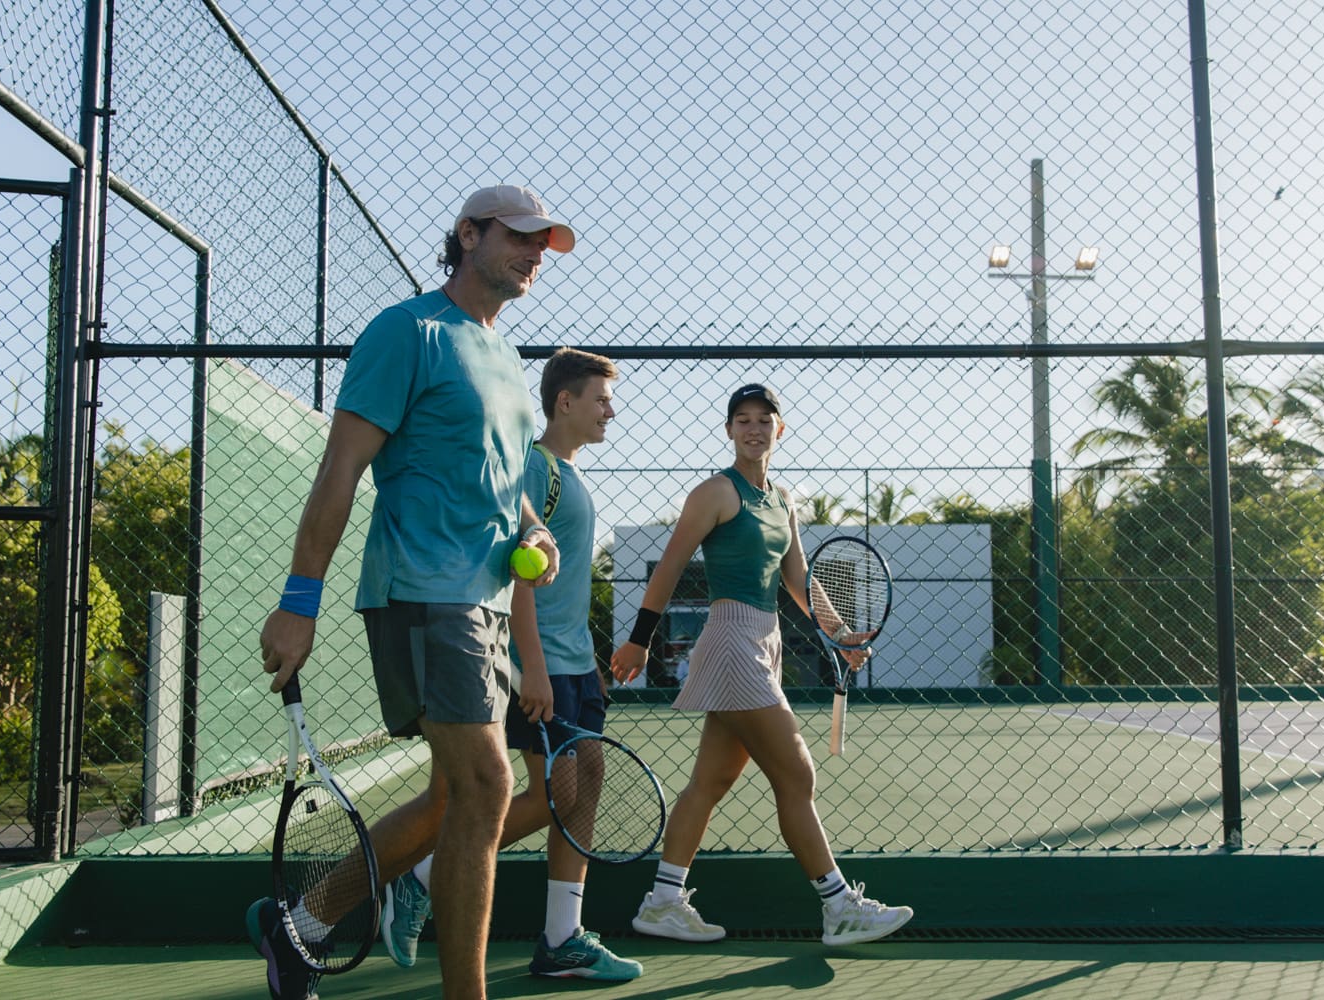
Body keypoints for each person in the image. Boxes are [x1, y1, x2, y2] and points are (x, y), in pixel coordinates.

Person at [248, 184, 576, 1000]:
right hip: (426, 593)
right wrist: (298, 602)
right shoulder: (407, 332)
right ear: (468, 235)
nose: (534, 254)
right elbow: (340, 471)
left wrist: (535, 530)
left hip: (487, 601)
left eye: (543, 245)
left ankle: (300, 927)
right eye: (519, 236)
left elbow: (508, 483)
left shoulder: (505, 358)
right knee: (490, 785)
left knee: (448, 799)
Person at [610, 383, 914, 947]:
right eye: (742, 420)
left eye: (763, 419)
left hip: (765, 641)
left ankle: (663, 902)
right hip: (731, 641)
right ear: (729, 430)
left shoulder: (783, 499)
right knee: (797, 775)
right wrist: (638, 641)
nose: (753, 429)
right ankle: (839, 907)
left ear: (780, 428)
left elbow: (797, 578)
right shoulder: (714, 493)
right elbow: (670, 566)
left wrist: (840, 634)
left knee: (711, 780)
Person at [384, 347, 642, 982]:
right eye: (601, 399)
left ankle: (562, 938)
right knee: (556, 794)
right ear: (565, 402)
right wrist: (535, 668)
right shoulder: (534, 467)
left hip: (573, 664)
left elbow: (563, 581)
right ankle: (421, 877)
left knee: (586, 783)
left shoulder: (569, 473)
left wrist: (583, 662)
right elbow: (518, 570)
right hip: (538, 665)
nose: (610, 411)